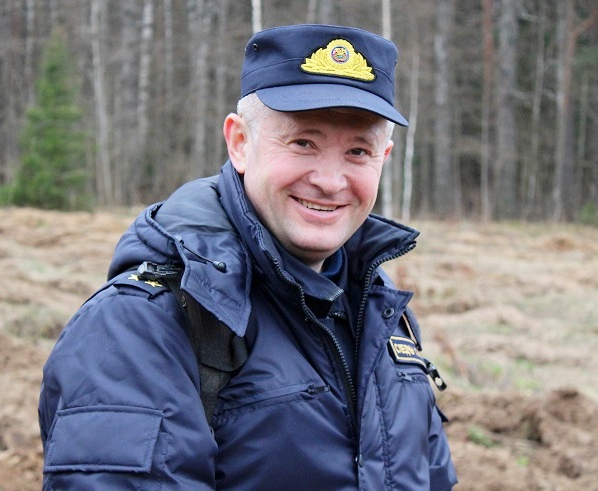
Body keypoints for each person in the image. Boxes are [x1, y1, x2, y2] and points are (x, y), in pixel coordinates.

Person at [38, 24, 457, 489]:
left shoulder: (383, 317)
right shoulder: (142, 326)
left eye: (358, 151)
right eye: (303, 143)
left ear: (385, 157)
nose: (330, 181)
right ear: (239, 143)